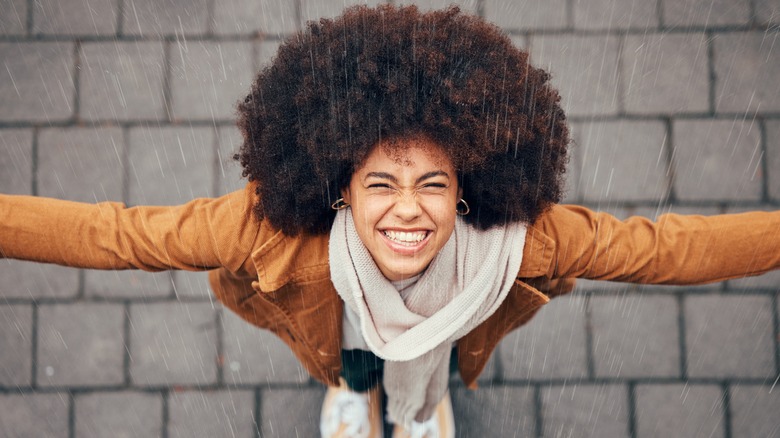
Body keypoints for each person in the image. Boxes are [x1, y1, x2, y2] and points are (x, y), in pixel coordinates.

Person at [0, 4, 778, 438]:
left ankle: (416, 407)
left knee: (415, 374)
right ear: (339, 187)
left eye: (433, 183)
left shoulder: (522, 240)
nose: (408, 209)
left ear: (466, 189)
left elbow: (666, 250)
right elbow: (117, 235)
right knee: (351, 368)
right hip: (333, 332)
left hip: (444, 344)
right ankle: (357, 394)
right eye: (381, 183)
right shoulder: (266, 228)